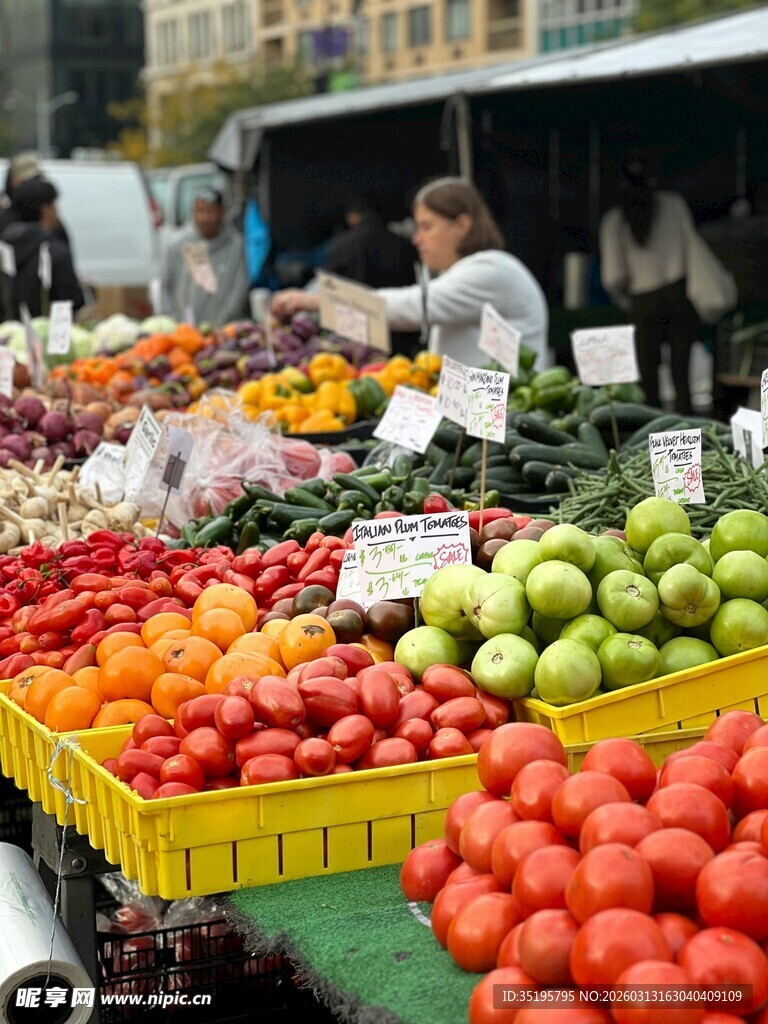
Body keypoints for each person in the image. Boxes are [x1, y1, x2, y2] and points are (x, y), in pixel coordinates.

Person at [272, 177, 549, 368]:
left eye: (427, 227)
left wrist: (316, 301)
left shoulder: (491, 270)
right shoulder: (461, 273)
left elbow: (412, 307)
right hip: (479, 416)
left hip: (506, 418)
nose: (416, 239)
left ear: (462, 225)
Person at [599, 157, 700, 413]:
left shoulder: (615, 220)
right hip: (679, 294)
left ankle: (652, 436)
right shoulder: (674, 205)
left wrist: (623, 299)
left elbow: (613, 276)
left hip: (642, 301)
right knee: (682, 376)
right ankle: (690, 433)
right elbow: (693, 248)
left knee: (648, 380)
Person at [160, 187, 249, 325]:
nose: (204, 218)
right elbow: (165, 285)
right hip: (184, 333)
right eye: (200, 211)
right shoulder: (177, 244)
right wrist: (175, 323)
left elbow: (240, 288)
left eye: (210, 211)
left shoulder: (236, 245)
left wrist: (221, 324)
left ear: (221, 212)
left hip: (224, 332)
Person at [0, 177, 83, 319]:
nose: (57, 212)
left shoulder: (5, 246)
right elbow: (71, 302)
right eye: (54, 206)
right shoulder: (55, 252)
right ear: (45, 210)